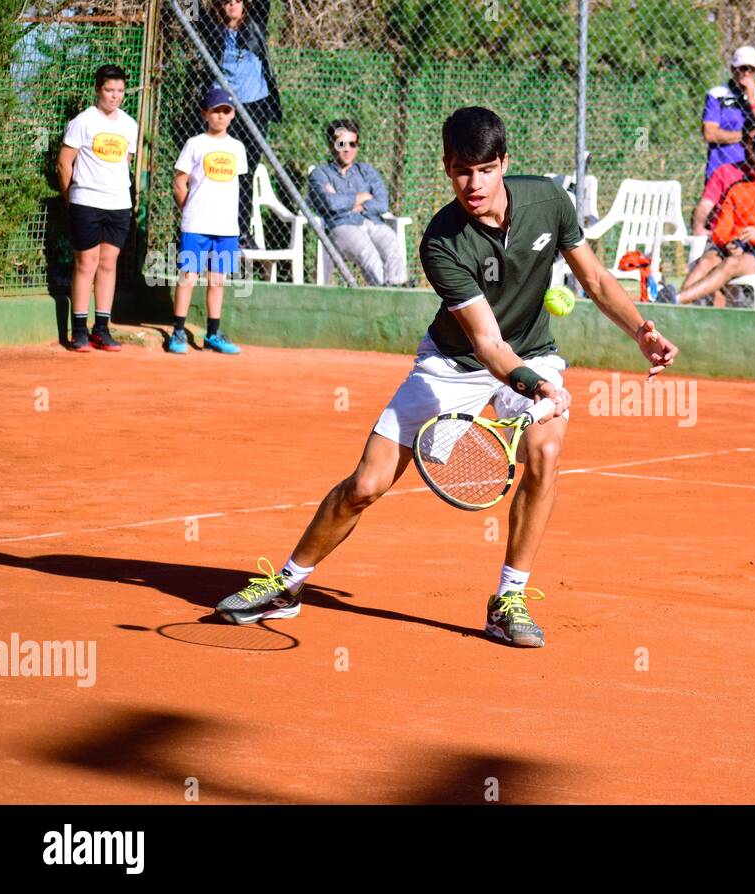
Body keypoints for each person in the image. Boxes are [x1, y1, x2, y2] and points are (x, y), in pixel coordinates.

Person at [213, 107, 679, 649]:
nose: (473, 184)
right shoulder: (441, 240)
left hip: (534, 352)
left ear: (504, 163)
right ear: (446, 167)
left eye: (484, 169)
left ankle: (509, 600)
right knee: (365, 485)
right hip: (454, 362)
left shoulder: (550, 202)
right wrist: (536, 386)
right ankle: (287, 584)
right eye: (461, 170)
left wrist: (642, 331)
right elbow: (486, 343)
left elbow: (596, 279)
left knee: (545, 454)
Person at [655, 131, 755, 307]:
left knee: (731, 264)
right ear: (754, 152)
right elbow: (720, 230)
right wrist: (731, 242)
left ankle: (675, 300)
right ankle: (676, 307)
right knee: (706, 261)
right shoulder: (737, 188)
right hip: (734, 247)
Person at [56, 64, 139, 352]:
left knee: (108, 263)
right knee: (86, 263)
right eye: (109, 90)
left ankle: (101, 328)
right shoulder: (83, 121)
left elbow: (125, 163)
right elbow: (64, 163)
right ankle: (78, 329)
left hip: (118, 205)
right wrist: (72, 199)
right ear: (98, 90)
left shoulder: (129, 124)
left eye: (119, 91)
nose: (115, 96)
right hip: (86, 202)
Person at [194, 0, 283, 245]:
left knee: (245, 170)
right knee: (216, 169)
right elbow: (193, 10)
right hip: (223, 107)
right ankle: (210, 230)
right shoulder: (212, 29)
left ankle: (242, 232)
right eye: (226, 2)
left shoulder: (255, 24)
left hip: (255, 106)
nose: (232, 5)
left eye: (237, 1)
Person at [169, 87, 249, 355]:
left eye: (226, 111)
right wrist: (190, 209)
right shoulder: (195, 144)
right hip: (197, 226)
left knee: (217, 281)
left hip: (226, 228)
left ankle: (213, 334)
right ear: (205, 113)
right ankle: (178, 331)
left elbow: (236, 185)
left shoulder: (237, 148)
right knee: (189, 277)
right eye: (215, 111)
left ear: (233, 115)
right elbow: (180, 182)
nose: (221, 116)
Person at [308, 119, 407, 286]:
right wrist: (362, 196)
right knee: (368, 252)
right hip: (342, 226)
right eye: (342, 144)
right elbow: (331, 204)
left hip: (372, 222)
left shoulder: (367, 171)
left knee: (391, 241)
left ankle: (397, 288)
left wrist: (349, 203)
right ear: (331, 145)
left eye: (352, 144)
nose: (347, 149)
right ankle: (381, 294)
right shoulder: (320, 174)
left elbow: (382, 204)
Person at [702, 45, 755, 181]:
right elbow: (710, 134)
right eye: (743, 68)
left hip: (754, 172)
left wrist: (752, 101)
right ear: (733, 69)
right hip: (720, 168)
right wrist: (747, 136)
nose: (747, 74)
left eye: (751, 70)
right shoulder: (717, 95)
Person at [690, 123, 755, 237]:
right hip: (722, 236)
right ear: (743, 143)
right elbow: (705, 205)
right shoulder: (724, 172)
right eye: (752, 142)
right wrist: (699, 228)